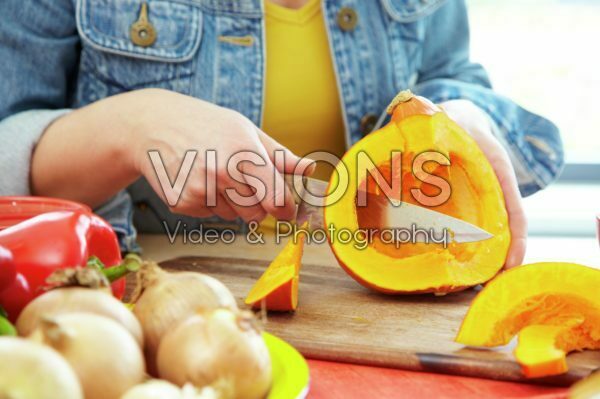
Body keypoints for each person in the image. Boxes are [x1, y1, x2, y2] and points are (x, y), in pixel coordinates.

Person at [0, 0, 563, 267]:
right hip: (141, 300)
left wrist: (460, 114)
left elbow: (451, 73)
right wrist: (132, 123)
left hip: (352, 303)